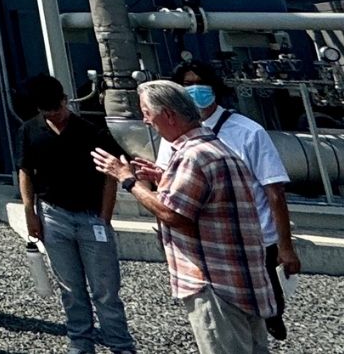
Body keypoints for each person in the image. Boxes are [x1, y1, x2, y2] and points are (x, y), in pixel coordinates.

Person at [95, 81, 277, 353]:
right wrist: (164, 177)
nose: (146, 120)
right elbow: (208, 196)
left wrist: (128, 180)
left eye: (147, 112)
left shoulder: (192, 157)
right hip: (242, 280)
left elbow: (173, 214)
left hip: (214, 283)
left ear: (168, 115)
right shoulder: (214, 148)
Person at [164, 62, 298, 340]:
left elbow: (274, 191)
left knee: (260, 303)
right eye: (186, 84)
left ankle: (268, 321)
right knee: (224, 307)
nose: (194, 90)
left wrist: (286, 246)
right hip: (208, 241)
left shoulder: (248, 132)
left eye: (200, 83)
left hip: (256, 239)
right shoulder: (172, 137)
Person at [17, 75, 136, 353]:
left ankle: (120, 345)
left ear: (65, 101)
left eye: (56, 110)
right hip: (53, 214)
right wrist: (30, 212)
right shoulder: (29, 130)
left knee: (105, 290)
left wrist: (105, 215)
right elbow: (25, 170)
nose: (54, 117)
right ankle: (80, 344)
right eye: (47, 112)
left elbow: (113, 172)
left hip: (91, 214)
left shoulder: (90, 131)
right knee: (70, 289)